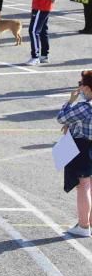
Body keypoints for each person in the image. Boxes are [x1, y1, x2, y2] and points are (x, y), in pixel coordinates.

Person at [56, 70, 92, 237]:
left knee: (82, 185)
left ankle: (84, 226)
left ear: (87, 88)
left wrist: (70, 101)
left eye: (82, 84)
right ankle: (88, 221)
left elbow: (61, 118)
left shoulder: (85, 107)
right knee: (90, 185)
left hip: (83, 146)